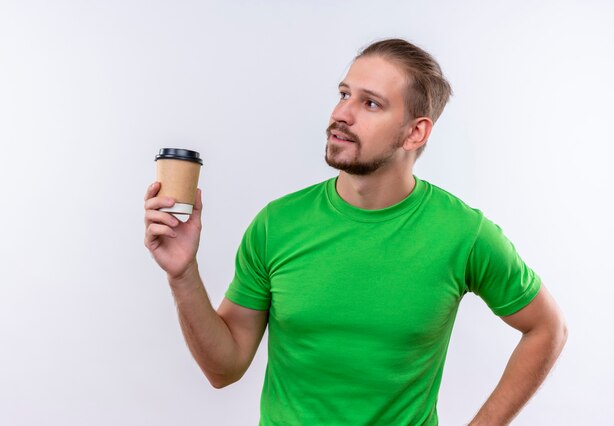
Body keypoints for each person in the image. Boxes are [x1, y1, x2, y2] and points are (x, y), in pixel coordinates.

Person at [144, 38, 567, 425]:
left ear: (415, 132)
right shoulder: (278, 224)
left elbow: (548, 328)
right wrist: (182, 274)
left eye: (370, 104)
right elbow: (224, 368)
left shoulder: (464, 233)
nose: (340, 114)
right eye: (344, 94)